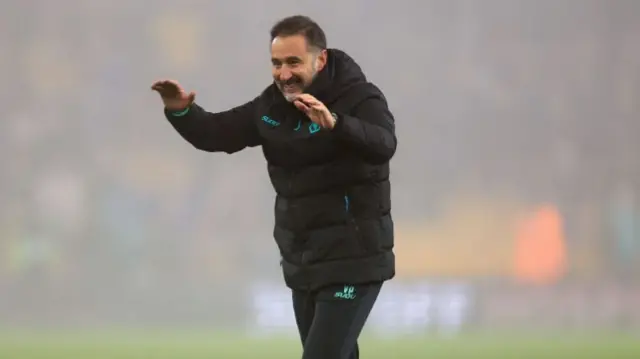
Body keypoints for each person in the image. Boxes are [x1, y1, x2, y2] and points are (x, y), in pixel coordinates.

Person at [151, 15, 397, 359]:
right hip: (303, 261)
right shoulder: (271, 106)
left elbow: (384, 144)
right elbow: (217, 133)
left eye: (294, 62)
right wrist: (181, 111)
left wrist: (336, 124)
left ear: (320, 59)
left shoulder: (359, 98)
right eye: (277, 63)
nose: (284, 73)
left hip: (353, 261)